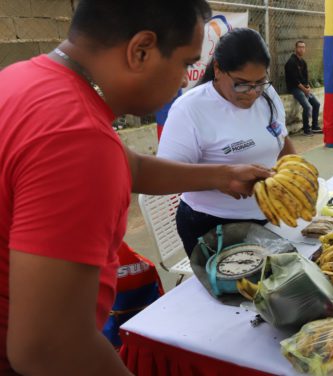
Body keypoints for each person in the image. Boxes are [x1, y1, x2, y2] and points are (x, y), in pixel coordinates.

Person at [0, 1, 273, 374]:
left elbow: (131, 165)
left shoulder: (25, 78)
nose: (183, 80)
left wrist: (221, 176)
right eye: (184, 63)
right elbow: (48, 349)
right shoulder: (78, 141)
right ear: (140, 50)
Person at [158, 28, 296, 256]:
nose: (252, 93)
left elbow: (282, 140)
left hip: (267, 217)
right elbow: (164, 178)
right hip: (212, 226)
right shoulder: (190, 109)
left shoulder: (268, 96)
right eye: (242, 84)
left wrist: (296, 178)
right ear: (218, 70)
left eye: (259, 82)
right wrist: (222, 179)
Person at [285, 40, 322, 136]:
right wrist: (304, 90)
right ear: (296, 48)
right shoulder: (291, 62)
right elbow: (295, 81)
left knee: (316, 104)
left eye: (303, 47)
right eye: (299, 47)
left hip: (304, 89)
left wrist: (308, 87)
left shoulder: (303, 62)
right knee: (307, 106)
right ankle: (306, 129)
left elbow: (305, 78)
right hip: (294, 89)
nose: (301, 49)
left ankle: (315, 126)